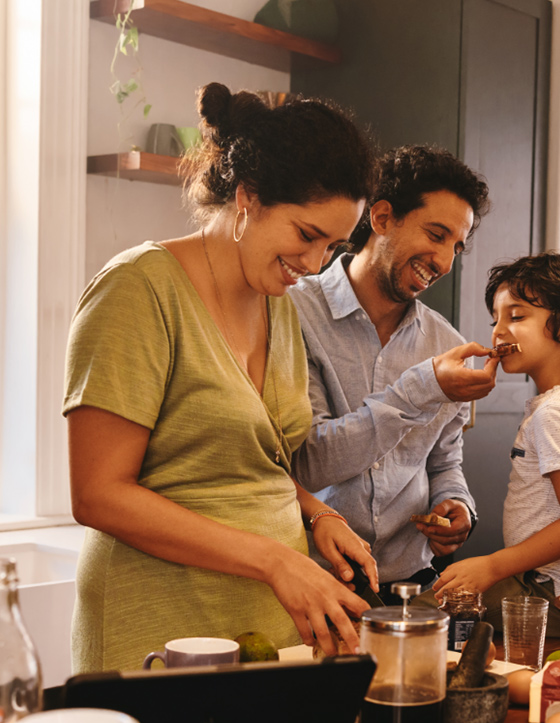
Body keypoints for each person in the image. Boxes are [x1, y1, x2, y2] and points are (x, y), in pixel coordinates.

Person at [63, 83, 379, 673]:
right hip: (157, 633)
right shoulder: (137, 289)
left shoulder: (279, 304)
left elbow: (242, 462)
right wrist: (275, 561)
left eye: (334, 246)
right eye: (307, 235)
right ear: (247, 196)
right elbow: (97, 494)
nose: (315, 265)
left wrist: (315, 513)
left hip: (266, 636)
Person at [290, 145, 495, 602]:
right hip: (313, 585)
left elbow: (444, 462)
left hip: (410, 586)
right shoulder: (292, 313)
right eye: (436, 234)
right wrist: (422, 388)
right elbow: (310, 462)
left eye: (456, 247)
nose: (444, 261)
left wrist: (458, 507)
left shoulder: (445, 344)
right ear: (381, 218)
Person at [429, 250, 560, 637]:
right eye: (496, 319)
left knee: (424, 617)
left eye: (517, 316)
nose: (498, 332)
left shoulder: (554, 413)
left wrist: (491, 566)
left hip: (557, 592)